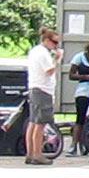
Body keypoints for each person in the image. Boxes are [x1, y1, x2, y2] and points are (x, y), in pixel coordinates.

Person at [25, 27, 63, 165]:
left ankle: (30, 153)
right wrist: (57, 59)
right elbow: (49, 71)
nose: (56, 45)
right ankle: (37, 154)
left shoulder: (35, 51)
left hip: (35, 88)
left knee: (33, 122)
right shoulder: (42, 53)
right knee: (40, 124)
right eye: (54, 42)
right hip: (43, 90)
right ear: (46, 40)